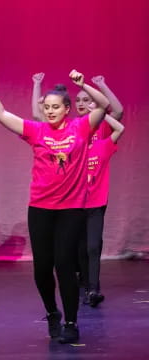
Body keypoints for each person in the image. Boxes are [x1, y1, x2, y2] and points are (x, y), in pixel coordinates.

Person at [0, 66, 109, 344]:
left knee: (64, 265)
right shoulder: (36, 131)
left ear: (67, 109)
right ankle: (51, 313)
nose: (49, 111)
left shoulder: (81, 128)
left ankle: (71, 321)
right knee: (42, 268)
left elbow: (105, 105)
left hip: (71, 209)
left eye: (55, 107)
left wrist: (85, 83)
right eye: (46, 107)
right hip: (40, 208)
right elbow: (0, 114)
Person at [31, 73, 124, 302]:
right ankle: (78, 285)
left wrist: (100, 85)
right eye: (79, 101)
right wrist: (37, 85)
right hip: (71, 200)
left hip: (94, 199)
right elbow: (37, 115)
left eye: (86, 100)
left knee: (92, 246)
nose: (83, 104)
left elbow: (117, 112)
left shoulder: (96, 127)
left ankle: (93, 287)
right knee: (74, 249)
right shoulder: (69, 128)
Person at [83, 108, 124, 307]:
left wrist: (101, 113)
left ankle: (93, 289)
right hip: (74, 204)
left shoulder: (102, 146)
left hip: (96, 204)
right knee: (78, 248)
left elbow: (119, 128)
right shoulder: (74, 146)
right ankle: (83, 284)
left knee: (93, 246)